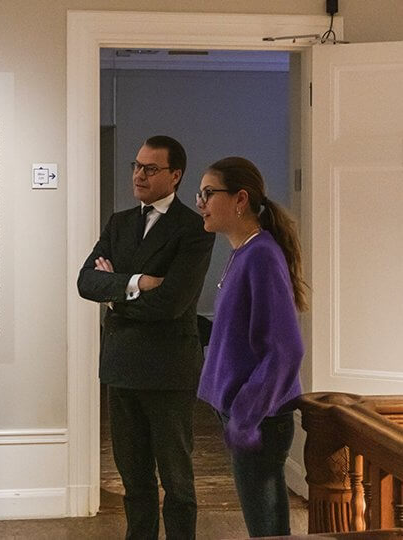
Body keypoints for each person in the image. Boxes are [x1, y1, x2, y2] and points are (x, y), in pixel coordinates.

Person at [77, 136, 215, 540]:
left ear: (175, 175)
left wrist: (115, 293)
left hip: (168, 370)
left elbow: (172, 303)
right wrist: (137, 282)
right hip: (121, 367)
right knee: (133, 478)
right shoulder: (120, 222)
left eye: (150, 168)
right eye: (137, 165)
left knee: (176, 479)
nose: (138, 174)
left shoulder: (194, 228)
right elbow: (86, 281)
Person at [196, 156, 307, 538]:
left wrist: (246, 413)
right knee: (266, 526)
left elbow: (286, 348)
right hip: (245, 413)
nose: (200, 202)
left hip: (259, 419)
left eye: (209, 193)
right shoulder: (243, 252)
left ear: (240, 198)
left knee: (268, 530)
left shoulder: (260, 255)